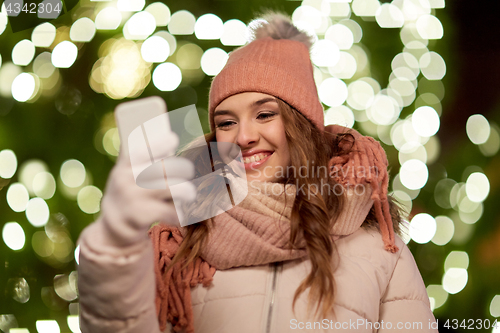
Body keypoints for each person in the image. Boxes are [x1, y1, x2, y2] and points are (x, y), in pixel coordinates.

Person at [77, 12, 438, 333]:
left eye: (265, 114)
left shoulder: (378, 249)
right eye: (227, 122)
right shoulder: (181, 237)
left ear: (302, 125)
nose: (245, 137)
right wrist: (113, 249)